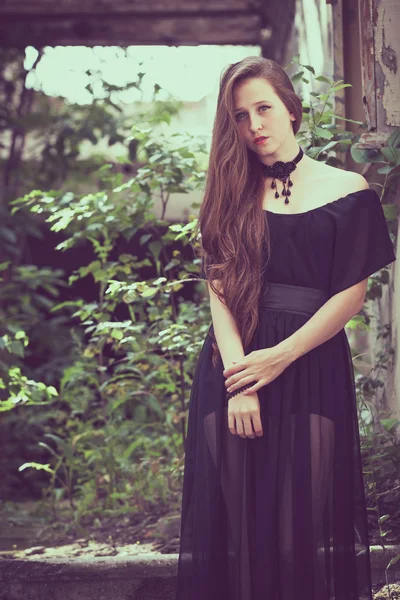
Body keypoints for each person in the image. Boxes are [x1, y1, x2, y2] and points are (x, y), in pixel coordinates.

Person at [175, 56, 396, 600]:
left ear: (291, 110)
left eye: (264, 108)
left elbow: (350, 295)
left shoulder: (350, 191)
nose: (254, 125)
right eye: (240, 115)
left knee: (296, 533)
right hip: (232, 370)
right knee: (245, 540)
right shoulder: (229, 192)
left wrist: (280, 356)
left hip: (309, 366)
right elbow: (220, 291)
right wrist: (241, 380)